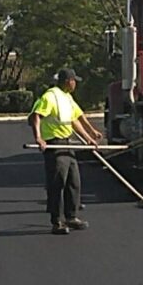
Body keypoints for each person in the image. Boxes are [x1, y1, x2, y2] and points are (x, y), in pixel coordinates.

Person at [29, 67, 103, 235]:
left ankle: (72, 216)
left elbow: (75, 118)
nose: (75, 83)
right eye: (74, 80)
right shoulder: (51, 96)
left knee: (73, 182)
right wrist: (39, 138)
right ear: (67, 81)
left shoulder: (67, 97)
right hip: (54, 144)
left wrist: (89, 135)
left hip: (67, 143)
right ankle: (57, 222)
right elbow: (36, 116)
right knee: (57, 183)